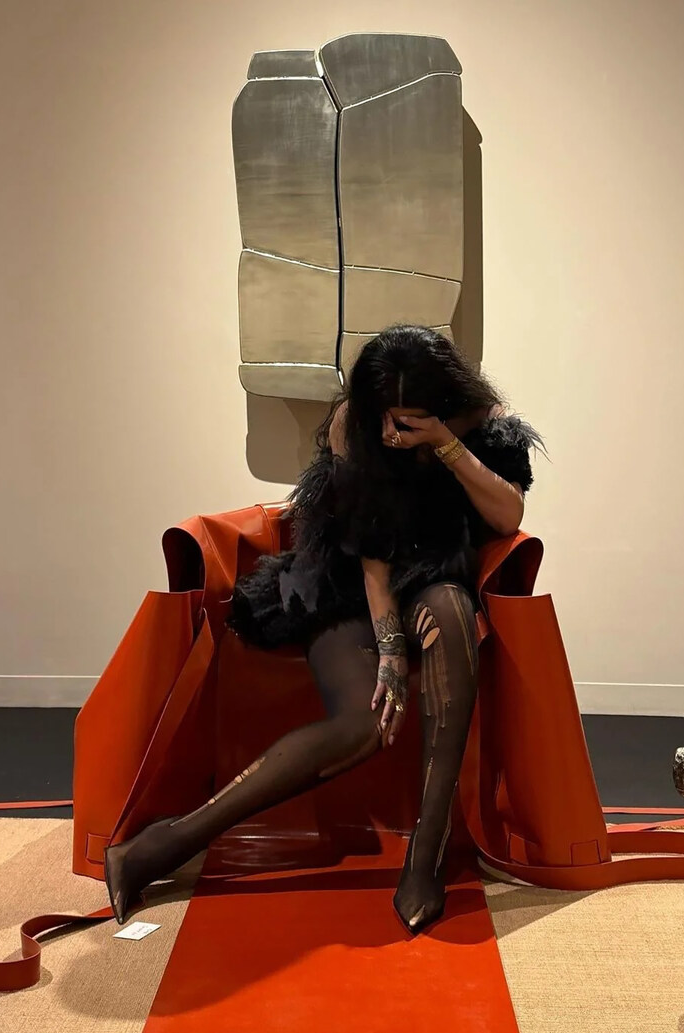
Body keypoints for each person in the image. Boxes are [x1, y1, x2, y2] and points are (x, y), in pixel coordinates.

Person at [103, 324, 546, 936]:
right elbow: (372, 557)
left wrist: (444, 443)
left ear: (444, 402)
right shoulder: (353, 425)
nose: (391, 431)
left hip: (438, 573)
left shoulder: (481, 421)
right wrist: (390, 651)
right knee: (364, 723)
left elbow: (507, 514)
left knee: (449, 612)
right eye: (384, 416)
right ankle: (165, 843)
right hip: (350, 581)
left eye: (408, 419)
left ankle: (427, 853)